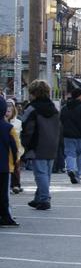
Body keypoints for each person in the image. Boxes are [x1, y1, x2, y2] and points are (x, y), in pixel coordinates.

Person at [21, 80, 61, 211]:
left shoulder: (32, 108)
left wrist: (24, 145)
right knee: (46, 173)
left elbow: (27, 128)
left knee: (40, 173)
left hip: (37, 144)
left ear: (33, 93)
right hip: (52, 143)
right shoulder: (53, 108)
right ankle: (38, 198)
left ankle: (44, 198)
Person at [0, 95, 20, 226]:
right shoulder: (8, 128)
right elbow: (15, 147)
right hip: (3, 166)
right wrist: (15, 162)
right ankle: (6, 217)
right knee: (3, 194)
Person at [6, 99, 24, 194]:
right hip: (5, 148)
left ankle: (16, 185)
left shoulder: (18, 122)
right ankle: (9, 185)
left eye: (10, 110)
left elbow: (20, 135)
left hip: (16, 147)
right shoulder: (3, 122)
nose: (8, 112)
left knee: (16, 166)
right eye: (6, 110)